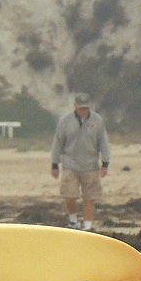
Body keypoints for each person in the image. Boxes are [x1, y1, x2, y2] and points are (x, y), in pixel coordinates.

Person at [50, 92, 109, 231]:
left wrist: (105, 163)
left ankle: (87, 225)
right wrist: (54, 163)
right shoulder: (65, 120)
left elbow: (103, 142)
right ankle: (73, 220)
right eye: (81, 108)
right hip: (70, 164)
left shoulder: (97, 120)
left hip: (91, 166)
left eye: (86, 108)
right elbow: (58, 142)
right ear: (75, 106)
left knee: (89, 197)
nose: (83, 111)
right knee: (69, 195)